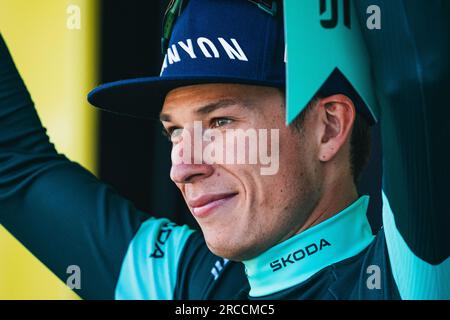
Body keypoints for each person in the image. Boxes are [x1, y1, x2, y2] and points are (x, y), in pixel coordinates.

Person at [0, 0, 449, 300]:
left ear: (328, 127)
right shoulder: (187, 283)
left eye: (219, 122)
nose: (182, 168)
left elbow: (421, 70)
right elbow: (12, 164)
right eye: (174, 131)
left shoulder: (409, 277)